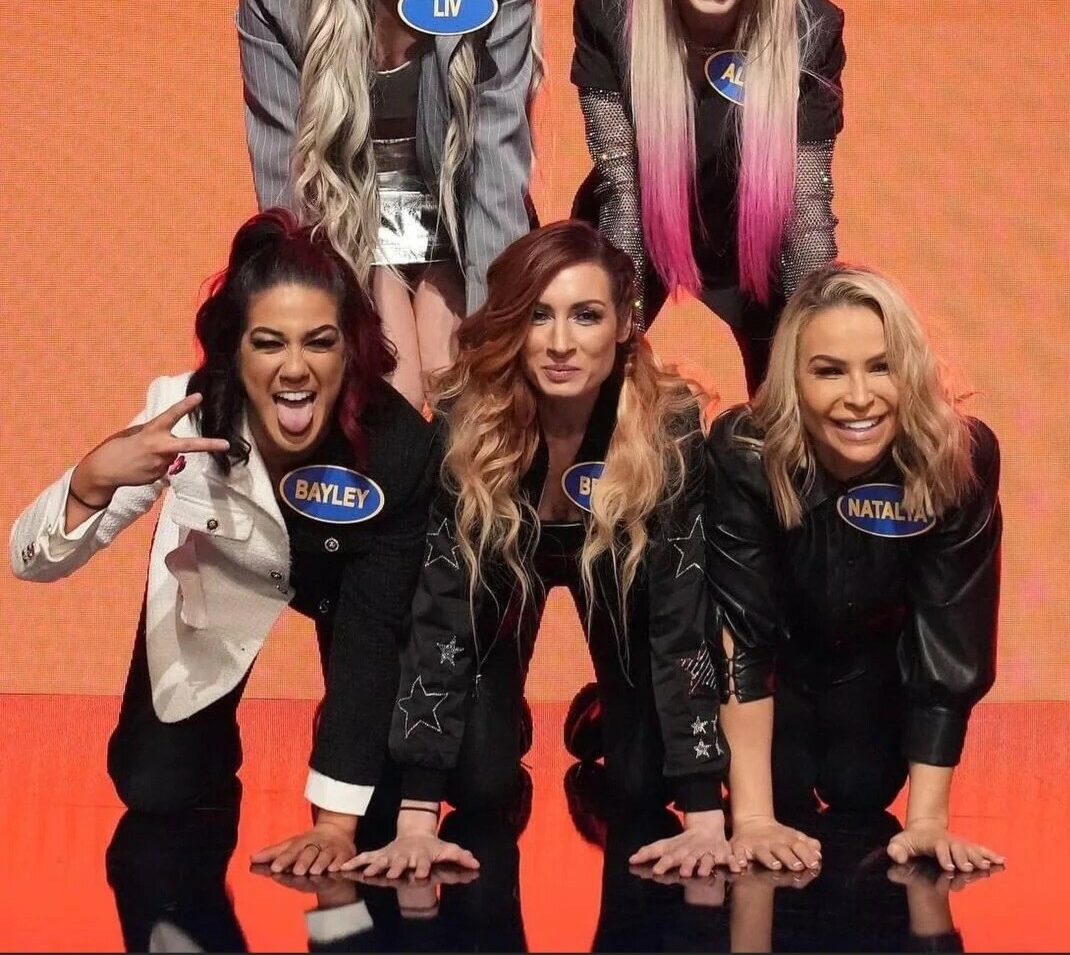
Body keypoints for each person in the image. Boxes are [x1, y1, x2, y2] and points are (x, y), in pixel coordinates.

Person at [9, 209, 439, 873]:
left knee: (376, 796)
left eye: (319, 342)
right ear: (235, 351)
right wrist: (91, 481)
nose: (294, 368)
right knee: (155, 786)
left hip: (354, 595)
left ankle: (348, 739)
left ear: (350, 350)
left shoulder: (400, 449)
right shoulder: (184, 412)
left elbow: (373, 631)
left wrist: (333, 826)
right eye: (268, 343)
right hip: (227, 583)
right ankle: (209, 732)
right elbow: (29, 565)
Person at [343, 220, 737, 879]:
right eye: (538, 315)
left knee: (644, 784)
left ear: (624, 323)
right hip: (504, 575)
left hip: (618, 578)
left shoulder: (667, 427)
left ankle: (600, 711)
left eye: (586, 316)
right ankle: (504, 715)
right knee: (479, 785)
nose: (559, 343)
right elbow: (442, 609)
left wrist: (704, 817)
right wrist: (415, 821)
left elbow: (681, 617)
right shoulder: (468, 419)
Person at [238, 0, 543, 410]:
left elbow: (497, 150)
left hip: (458, 205)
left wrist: (495, 324)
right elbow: (286, 166)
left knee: (463, 386)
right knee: (386, 398)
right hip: (343, 209)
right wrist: (333, 320)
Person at [705, 263, 1005, 872]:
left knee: (860, 788)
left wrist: (927, 822)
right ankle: (607, 715)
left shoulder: (960, 455)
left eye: (882, 366)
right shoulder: (745, 451)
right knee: (763, 789)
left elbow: (951, 636)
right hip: (774, 666)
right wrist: (754, 819)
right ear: (793, 378)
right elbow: (741, 635)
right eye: (829, 371)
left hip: (869, 666)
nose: (861, 397)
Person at [571, 0, 845, 395]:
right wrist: (613, 327)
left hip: (758, 235)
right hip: (636, 214)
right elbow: (622, 185)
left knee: (800, 385)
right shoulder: (606, 5)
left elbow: (806, 207)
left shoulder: (812, 28)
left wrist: (823, 333)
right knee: (591, 375)